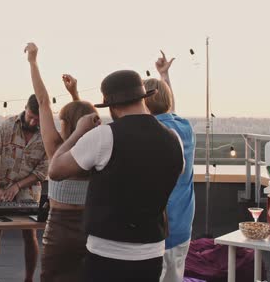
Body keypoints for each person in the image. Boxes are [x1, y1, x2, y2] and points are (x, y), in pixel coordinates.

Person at [48, 69, 184, 282]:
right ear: (142, 98)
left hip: (107, 253)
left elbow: (55, 170)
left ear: (111, 106)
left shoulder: (104, 136)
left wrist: (78, 132)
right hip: (152, 251)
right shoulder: (173, 138)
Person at [24, 42, 97, 282]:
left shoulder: (56, 149)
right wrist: (75, 96)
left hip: (60, 228)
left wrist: (33, 62)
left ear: (66, 124)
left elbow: (43, 101)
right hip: (92, 227)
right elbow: (86, 120)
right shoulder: (97, 150)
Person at [0, 94, 48, 282]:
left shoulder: (47, 133)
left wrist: (18, 186)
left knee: (29, 234)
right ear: (25, 107)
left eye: (37, 119)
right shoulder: (7, 126)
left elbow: (42, 172)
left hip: (28, 190)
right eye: (31, 116)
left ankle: (28, 279)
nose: (33, 122)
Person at [144, 51, 195, 282]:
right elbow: (168, 111)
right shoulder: (185, 127)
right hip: (182, 225)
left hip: (155, 228)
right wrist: (164, 76)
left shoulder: (149, 133)